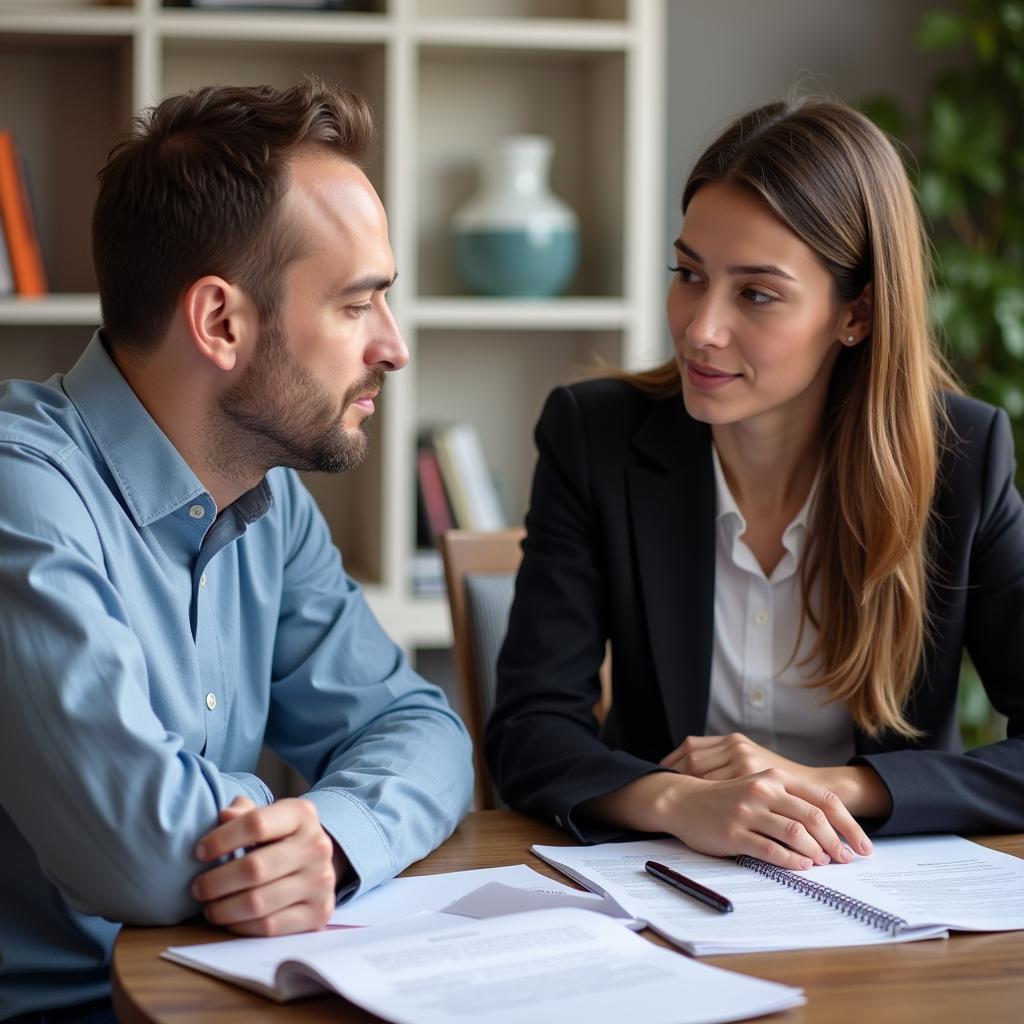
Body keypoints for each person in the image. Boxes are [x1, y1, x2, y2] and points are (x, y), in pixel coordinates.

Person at [0, 80, 473, 1022]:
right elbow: (145, 856)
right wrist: (273, 822)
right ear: (220, 322)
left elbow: (427, 732)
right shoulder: (23, 498)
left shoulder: (271, 502)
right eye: (357, 305)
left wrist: (331, 836)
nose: (394, 346)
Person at [485, 96, 1024, 870]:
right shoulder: (593, 435)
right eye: (689, 274)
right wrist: (680, 802)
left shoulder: (960, 459)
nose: (701, 327)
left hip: (887, 900)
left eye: (757, 293)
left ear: (857, 314)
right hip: (667, 882)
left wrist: (829, 787)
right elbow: (529, 732)